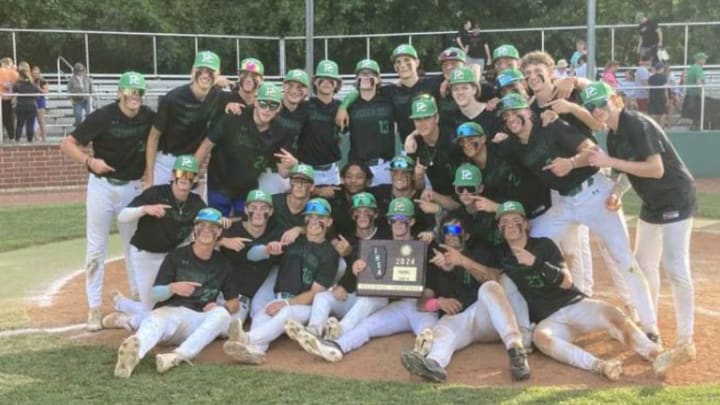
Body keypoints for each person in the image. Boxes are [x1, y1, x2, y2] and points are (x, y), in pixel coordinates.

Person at [495, 92, 661, 343]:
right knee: (529, 241)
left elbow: (592, 150)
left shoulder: (553, 126)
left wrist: (571, 163)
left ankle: (650, 327)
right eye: (505, 116)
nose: (511, 119)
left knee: (623, 259)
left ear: (528, 112)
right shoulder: (513, 145)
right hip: (565, 202)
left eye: (515, 112)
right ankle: (533, 320)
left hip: (594, 193)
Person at [583, 81, 698, 374]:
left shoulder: (636, 124)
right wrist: (617, 192)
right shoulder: (613, 134)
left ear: (615, 100)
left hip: (676, 197)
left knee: (675, 266)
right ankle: (651, 327)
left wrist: (609, 162)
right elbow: (623, 172)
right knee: (644, 264)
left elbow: (655, 169)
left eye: (602, 103)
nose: (598, 110)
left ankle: (686, 340)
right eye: (592, 107)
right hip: (652, 204)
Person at [493, 201, 670, 381]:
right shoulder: (503, 258)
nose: (510, 225)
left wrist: (536, 263)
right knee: (542, 339)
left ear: (525, 224)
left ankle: (656, 354)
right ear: (499, 228)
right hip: (549, 320)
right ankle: (600, 366)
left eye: (516, 220)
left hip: (573, 304)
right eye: (505, 222)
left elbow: (566, 282)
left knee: (612, 313)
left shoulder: (543, 246)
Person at [288, 197, 441, 363]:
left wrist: (431, 297)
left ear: (411, 222)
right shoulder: (381, 246)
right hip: (396, 305)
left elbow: (439, 281)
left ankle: (425, 359)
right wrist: (356, 269)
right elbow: (372, 279)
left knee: (429, 333)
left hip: (423, 306)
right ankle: (335, 345)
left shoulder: (424, 246)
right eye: (393, 219)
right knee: (366, 326)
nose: (397, 223)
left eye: (402, 219)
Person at [60, 72, 155, 331]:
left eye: (138, 92)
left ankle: (137, 297)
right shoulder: (103, 116)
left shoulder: (148, 116)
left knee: (133, 246)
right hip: (101, 187)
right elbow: (67, 144)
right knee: (96, 248)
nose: (134, 96)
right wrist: (90, 162)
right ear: (119, 93)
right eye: (130, 91)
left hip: (132, 187)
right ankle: (94, 308)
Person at [399, 212, 530, 382]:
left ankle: (516, 350)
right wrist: (438, 302)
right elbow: (422, 304)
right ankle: (432, 365)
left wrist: (462, 261)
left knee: (490, 287)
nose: (450, 234)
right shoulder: (435, 261)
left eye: (455, 229)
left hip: (485, 316)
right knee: (442, 329)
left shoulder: (478, 252)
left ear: (466, 235)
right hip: (458, 320)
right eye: (446, 229)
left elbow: (496, 279)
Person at [113, 208, 241, 378]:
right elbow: (156, 293)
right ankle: (132, 358)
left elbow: (235, 303)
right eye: (202, 225)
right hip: (170, 314)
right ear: (195, 229)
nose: (206, 231)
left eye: (213, 227)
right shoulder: (176, 256)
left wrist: (220, 305)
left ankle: (177, 356)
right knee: (153, 322)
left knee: (222, 315)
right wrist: (172, 288)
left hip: (196, 321)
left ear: (219, 233)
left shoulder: (223, 263)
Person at [222, 198, 340, 364]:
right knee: (261, 316)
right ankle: (255, 352)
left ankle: (246, 339)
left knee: (286, 314)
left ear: (329, 221)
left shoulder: (329, 254)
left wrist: (287, 303)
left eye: (319, 217)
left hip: (305, 306)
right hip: (281, 297)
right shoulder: (291, 240)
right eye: (310, 217)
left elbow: (315, 293)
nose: (314, 221)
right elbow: (259, 244)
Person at [103, 155, 207, 331]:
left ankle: (124, 304)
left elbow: (208, 223)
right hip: (146, 255)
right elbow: (123, 216)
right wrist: (145, 209)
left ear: (195, 179)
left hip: (172, 256)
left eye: (190, 175)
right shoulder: (156, 193)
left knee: (176, 303)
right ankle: (124, 320)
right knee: (153, 310)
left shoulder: (196, 203)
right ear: (173, 175)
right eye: (181, 173)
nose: (185, 179)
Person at [285, 192, 391, 345]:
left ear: (375, 214)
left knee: (368, 298)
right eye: (358, 212)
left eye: (367, 211)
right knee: (322, 297)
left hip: (378, 296)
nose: (362, 216)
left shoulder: (386, 236)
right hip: (354, 294)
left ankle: (338, 332)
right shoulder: (346, 238)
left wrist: (347, 272)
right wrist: (343, 285)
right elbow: (318, 229)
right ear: (352, 215)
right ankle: (313, 332)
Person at [195, 83, 290, 217]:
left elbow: (284, 172)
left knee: (245, 226)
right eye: (263, 103)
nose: (267, 109)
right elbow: (206, 145)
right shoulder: (235, 117)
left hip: (247, 188)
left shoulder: (280, 132)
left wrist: (294, 165)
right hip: (219, 183)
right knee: (216, 223)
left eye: (273, 105)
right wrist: (191, 171)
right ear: (256, 102)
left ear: (279, 108)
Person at [145, 50, 226, 187]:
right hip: (167, 161)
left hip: (191, 162)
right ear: (193, 71)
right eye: (201, 69)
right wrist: (149, 177)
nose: (205, 74)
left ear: (217, 75)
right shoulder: (173, 98)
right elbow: (153, 136)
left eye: (210, 71)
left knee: (189, 207)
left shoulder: (219, 97)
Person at [220, 189, 282, 325]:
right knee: (228, 325)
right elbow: (198, 237)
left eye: (263, 208)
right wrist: (222, 241)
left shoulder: (277, 232)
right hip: (234, 294)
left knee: (262, 318)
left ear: (271, 212)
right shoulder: (231, 229)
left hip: (260, 291)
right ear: (246, 210)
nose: (258, 212)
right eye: (253, 208)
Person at [345, 59, 396, 187]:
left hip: (385, 165)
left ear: (378, 79)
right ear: (356, 79)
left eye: (370, 74)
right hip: (359, 169)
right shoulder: (349, 106)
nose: (365, 77)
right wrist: (343, 107)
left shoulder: (389, 100)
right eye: (361, 74)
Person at [298, 60, 343, 186]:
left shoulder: (341, 106)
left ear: (337, 84)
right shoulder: (305, 105)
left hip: (332, 170)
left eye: (331, 80)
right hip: (308, 168)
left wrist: (345, 107)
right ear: (315, 83)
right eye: (321, 80)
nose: (326, 83)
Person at [12, 62, 40, 142]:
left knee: (19, 125)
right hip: (31, 105)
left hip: (21, 105)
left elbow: (14, 90)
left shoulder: (17, 84)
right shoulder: (33, 83)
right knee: (30, 125)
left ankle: (17, 141)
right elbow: (37, 92)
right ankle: (29, 142)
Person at [682, 52, 708, 130]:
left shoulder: (693, 67)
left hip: (690, 93)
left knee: (694, 115)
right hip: (695, 94)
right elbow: (698, 82)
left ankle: (694, 127)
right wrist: (702, 93)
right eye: (704, 59)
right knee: (697, 113)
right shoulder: (697, 68)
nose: (705, 61)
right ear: (699, 60)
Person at [0, 57, 19, 140]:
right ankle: (11, 136)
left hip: (3, 97)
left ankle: (4, 135)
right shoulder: (15, 73)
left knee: (5, 119)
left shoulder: (2, 71)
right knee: (10, 120)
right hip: (11, 99)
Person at [649, 63, 670, 128]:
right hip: (661, 97)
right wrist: (667, 99)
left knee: (653, 113)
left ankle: (653, 127)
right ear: (661, 69)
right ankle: (661, 127)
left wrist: (649, 97)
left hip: (653, 96)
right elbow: (665, 89)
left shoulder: (651, 77)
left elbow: (649, 88)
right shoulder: (664, 77)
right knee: (663, 113)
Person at [31, 66, 49, 142]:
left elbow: (46, 91)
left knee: (41, 120)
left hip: (40, 101)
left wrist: (39, 88)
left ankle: (44, 138)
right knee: (32, 120)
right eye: (34, 73)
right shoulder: (30, 80)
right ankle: (36, 138)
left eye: (37, 73)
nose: (35, 74)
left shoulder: (42, 81)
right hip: (31, 101)